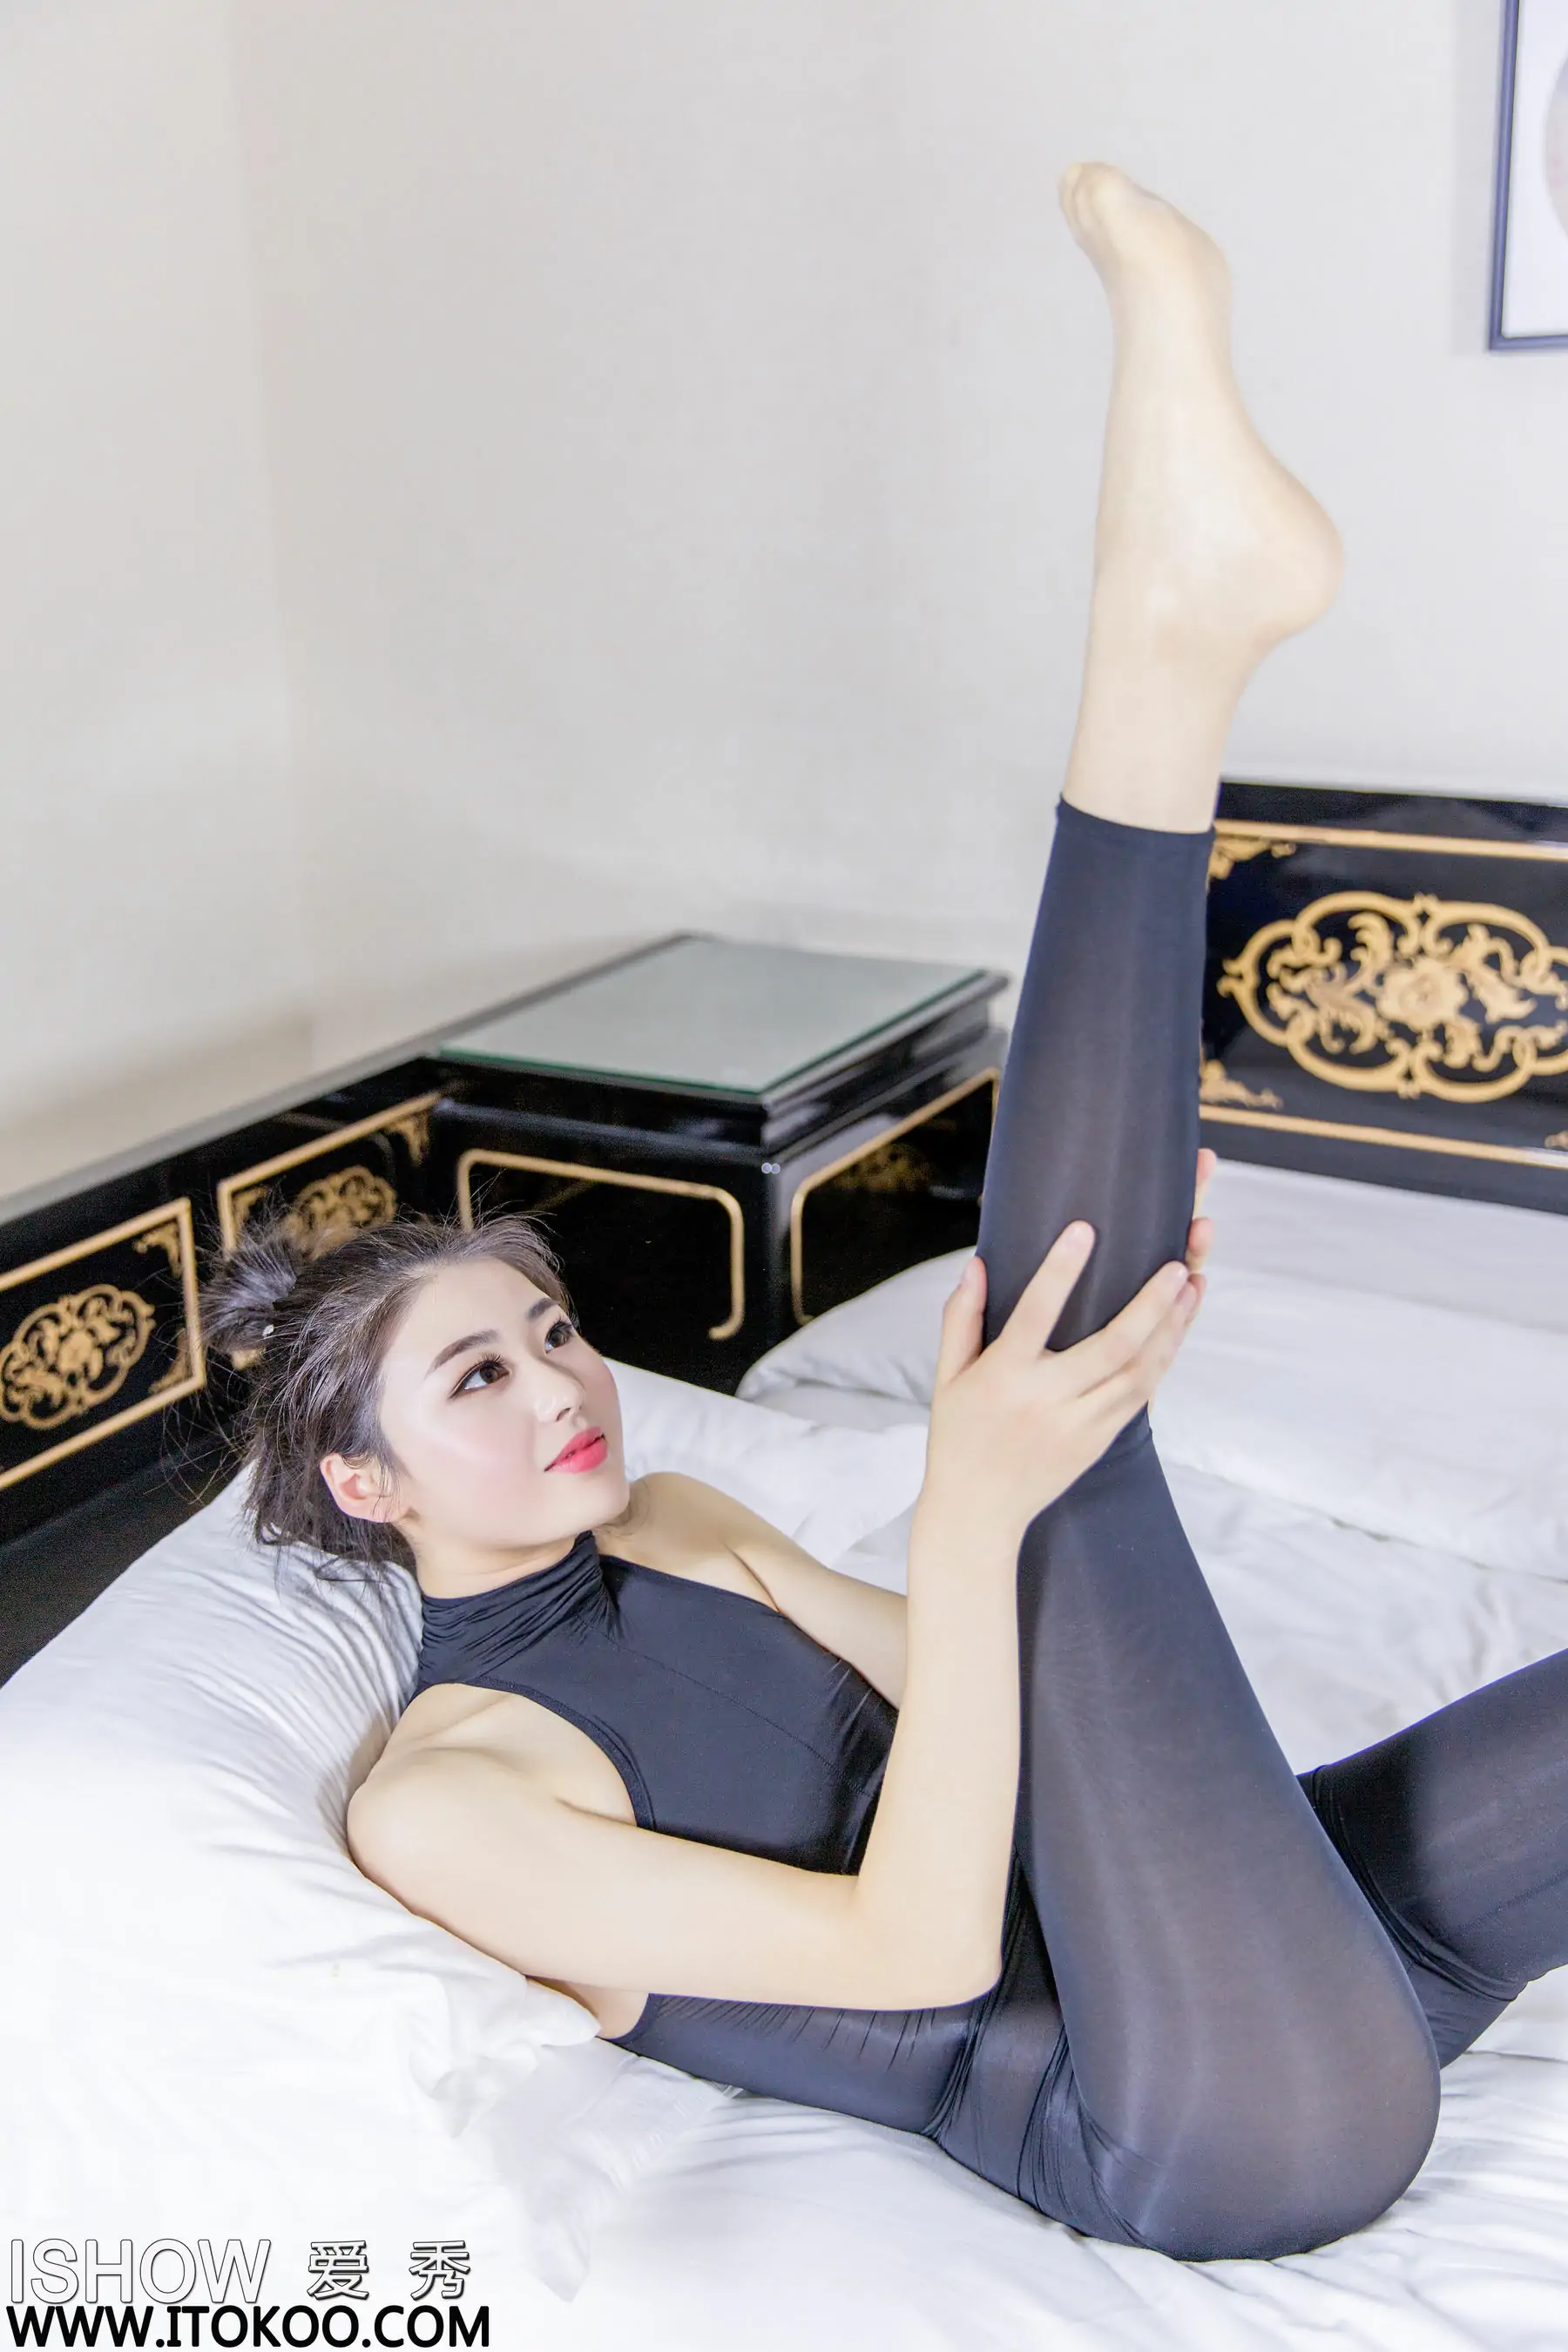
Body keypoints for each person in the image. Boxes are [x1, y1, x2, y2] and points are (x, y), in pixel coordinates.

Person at [204, 166, 1568, 2263]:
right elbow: (924, 1951)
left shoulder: (672, 1523)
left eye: (554, 1330)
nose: (566, 1386)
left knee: (1064, 1449)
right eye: (479, 1376)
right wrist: (981, 1498)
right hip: (1189, 2120)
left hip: (1279, 1956)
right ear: (362, 1482)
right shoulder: (447, 1800)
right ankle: (1164, 652)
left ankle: (1176, 631)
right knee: (1052, 1412)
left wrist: (1038, 1576)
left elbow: (1017, 1721)